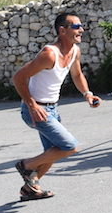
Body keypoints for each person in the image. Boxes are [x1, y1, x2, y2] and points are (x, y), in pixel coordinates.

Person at [11, 12, 101, 201]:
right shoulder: (49, 55)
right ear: (62, 30)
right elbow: (19, 77)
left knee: (52, 153)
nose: (81, 30)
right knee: (70, 146)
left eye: (81, 26)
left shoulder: (75, 51)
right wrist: (32, 105)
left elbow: (77, 75)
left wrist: (88, 94)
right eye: (76, 27)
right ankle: (26, 166)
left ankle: (31, 187)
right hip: (35, 110)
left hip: (51, 109)